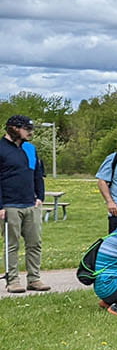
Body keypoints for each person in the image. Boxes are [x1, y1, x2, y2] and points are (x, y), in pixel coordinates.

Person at [1, 114, 49, 292]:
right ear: (14, 129)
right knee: (12, 245)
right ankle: (12, 280)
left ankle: (34, 279)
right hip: (9, 205)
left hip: (31, 204)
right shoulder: (1, 149)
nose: (30, 132)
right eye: (26, 129)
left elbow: (38, 173)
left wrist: (40, 197)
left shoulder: (30, 148)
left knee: (35, 243)